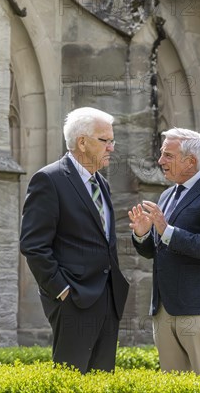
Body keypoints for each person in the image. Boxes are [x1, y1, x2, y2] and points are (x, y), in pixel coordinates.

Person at [20, 107, 129, 373]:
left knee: (100, 380)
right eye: (105, 140)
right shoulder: (49, 179)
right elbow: (33, 245)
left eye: (112, 141)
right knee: (71, 380)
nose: (111, 148)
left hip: (107, 298)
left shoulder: (101, 183)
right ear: (82, 142)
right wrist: (62, 290)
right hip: (73, 301)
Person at [128, 127, 200, 377]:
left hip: (199, 310)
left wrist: (167, 230)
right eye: (162, 154)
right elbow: (155, 251)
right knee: (173, 385)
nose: (160, 161)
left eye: (168, 156)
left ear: (191, 161)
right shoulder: (166, 195)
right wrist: (143, 234)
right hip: (164, 310)